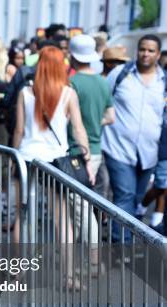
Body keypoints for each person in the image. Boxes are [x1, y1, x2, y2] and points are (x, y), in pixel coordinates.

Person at [12, 46, 94, 262]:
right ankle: (68, 274)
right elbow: (78, 129)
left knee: (22, 215)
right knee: (61, 217)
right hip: (55, 162)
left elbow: (19, 130)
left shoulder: (25, 93)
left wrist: (14, 157)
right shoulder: (69, 94)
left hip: (27, 158)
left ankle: (19, 269)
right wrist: (87, 161)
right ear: (61, 66)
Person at [102, 34, 165, 241]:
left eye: (150, 50)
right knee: (124, 195)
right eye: (142, 49)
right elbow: (105, 99)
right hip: (118, 147)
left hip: (149, 151)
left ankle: (125, 238)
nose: (145, 54)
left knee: (138, 198)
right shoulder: (121, 74)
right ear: (136, 51)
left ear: (158, 54)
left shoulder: (163, 81)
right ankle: (121, 246)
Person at [67, 34, 115, 194]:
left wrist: (79, 121)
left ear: (72, 55)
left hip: (75, 151)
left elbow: (66, 118)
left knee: (77, 206)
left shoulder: (70, 82)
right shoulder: (103, 82)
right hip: (95, 150)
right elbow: (110, 117)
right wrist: (93, 121)